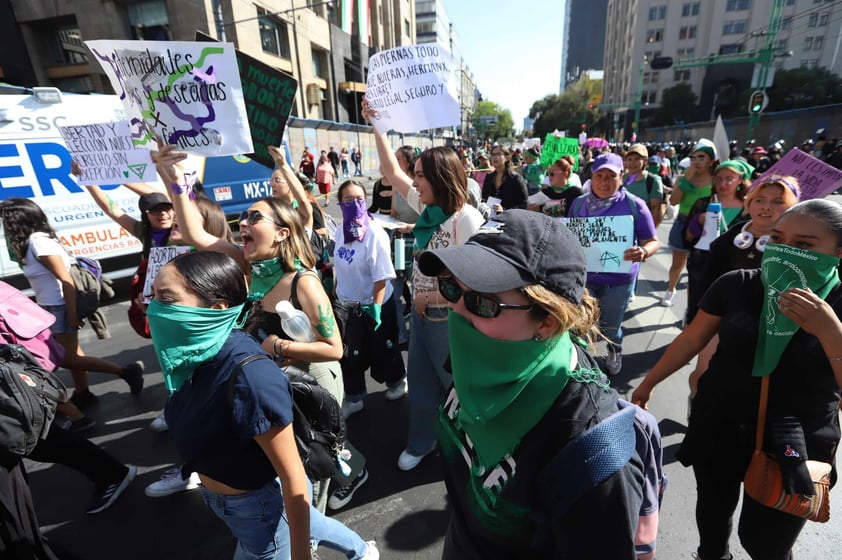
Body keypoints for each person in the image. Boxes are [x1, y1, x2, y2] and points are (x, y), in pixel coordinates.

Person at [417, 210, 648, 558]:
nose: (457, 311)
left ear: (548, 323)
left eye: (482, 301)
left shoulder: (592, 457)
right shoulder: (485, 356)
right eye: (452, 287)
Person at [155, 143, 369, 516]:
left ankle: (319, 523)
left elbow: (334, 349)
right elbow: (194, 233)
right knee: (292, 455)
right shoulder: (248, 264)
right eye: (243, 218)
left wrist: (276, 345)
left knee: (312, 457)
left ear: (284, 233)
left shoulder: (303, 282)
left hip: (314, 379)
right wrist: (173, 179)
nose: (243, 224)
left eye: (254, 218)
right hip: (276, 374)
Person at [631, 198, 842, 560]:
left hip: (797, 442)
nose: (785, 251)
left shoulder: (837, 302)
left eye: (804, 245)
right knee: (713, 516)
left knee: (765, 542)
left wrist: (829, 330)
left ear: (837, 252)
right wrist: (648, 384)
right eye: (777, 238)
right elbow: (691, 339)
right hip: (720, 423)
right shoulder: (737, 285)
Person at [149, 251, 378, 560]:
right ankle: (361, 551)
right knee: (309, 523)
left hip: (257, 509)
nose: (153, 308)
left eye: (166, 298)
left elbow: (294, 479)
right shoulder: (194, 356)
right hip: (233, 505)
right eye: (152, 296)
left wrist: (300, 555)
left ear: (215, 308)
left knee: (285, 527)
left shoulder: (250, 377)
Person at [362, 97, 484, 471]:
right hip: (421, 322)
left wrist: (437, 297)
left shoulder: (467, 220)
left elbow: (479, 283)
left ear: (440, 177)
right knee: (422, 385)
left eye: (419, 175)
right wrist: (376, 125)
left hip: (454, 326)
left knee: (459, 392)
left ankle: (473, 450)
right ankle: (421, 442)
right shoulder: (427, 210)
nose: (412, 182)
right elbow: (388, 169)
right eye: (413, 175)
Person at [0, 198, 144, 407]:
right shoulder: (34, 242)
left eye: (6, 220)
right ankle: (83, 392)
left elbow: (67, 281)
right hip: (51, 306)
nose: (5, 225)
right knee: (73, 354)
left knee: (62, 358)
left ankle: (126, 372)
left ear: (17, 220)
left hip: (60, 307)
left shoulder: (39, 242)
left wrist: (72, 314)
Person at [684, 176, 800, 403]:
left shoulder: (799, 248)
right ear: (749, 202)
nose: (766, 207)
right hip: (720, 320)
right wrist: (692, 320)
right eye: (760, 199)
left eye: (778, 201)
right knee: (703, 373)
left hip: (773, 328)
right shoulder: (724, 242)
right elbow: (704, 286)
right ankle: (697, 405)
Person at [567, 153, 660, 376]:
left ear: (621, 177)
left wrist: (644, 251)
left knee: (611, 324)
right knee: (579, 322)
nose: (604, 182)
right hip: (585, 278)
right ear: (592, 176)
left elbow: (653, 241)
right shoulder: (579, 204)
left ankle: (614, 350)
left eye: (611, 176)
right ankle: (580, 358)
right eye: (600, 176)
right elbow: (569, 236)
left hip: (619, 280)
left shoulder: (635, 205)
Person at [333, 179, 407, 420]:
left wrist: (374, 307)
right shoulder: (341, 230)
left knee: (383, 350)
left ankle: (397, 382)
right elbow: (341, 266)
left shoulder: (374, 233)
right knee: (350, 354)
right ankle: (355, 398)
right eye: (348, 200)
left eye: (359, 200)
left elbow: (381, 275)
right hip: (348, 305)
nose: (354, 204)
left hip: (373, 304)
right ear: (340, 204)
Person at [683, 160, 753, 325]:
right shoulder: (703, 203)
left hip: (735, 265)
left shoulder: (748, 208)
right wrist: (698, 221)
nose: (723, 183)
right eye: (719, 178)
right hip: (703, 263)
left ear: (740, 180)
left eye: (729, 178)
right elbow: (688, 237)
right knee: (699, 303)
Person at [663, 139, 717, 308]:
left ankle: (693, 306)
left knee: (699, 270)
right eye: (693, 158)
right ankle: (670, 290)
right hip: (683, 223)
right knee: (677, 264)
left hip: (707, 226)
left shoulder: (716, 179)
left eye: (701, 157)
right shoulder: (682, 178)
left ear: (711, 160)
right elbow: (674, 201)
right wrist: (686, 180)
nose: (696, 162)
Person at [623, 144, 666, 227]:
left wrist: (650, 233)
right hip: (624, 226)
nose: (632, 163)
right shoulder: (622, 178)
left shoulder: (653, 180)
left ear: (645, 161)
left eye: (637, 159)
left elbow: (655, 209)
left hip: (642, 227)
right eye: (629, 159)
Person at [481, 145, 529, 213]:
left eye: (498, 154)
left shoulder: (516, 179)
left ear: (506, 157)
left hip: (510, 220)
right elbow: (484, 198)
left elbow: (524, 205)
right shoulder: (489, 177)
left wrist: (504, 210)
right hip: (490, 219)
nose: (495, 157)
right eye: (493, 154)